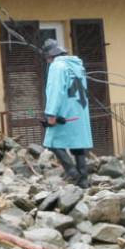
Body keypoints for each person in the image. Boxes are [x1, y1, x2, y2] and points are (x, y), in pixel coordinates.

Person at [41, 37, 93, 188]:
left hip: (65, 112)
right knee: (78, 145)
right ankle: (83, 179)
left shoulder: (57, 67)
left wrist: (51, 114)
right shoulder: (77, 65)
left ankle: (72, 173)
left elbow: (55, 91)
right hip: (80, 111)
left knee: (52, 142)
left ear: (49, 56)